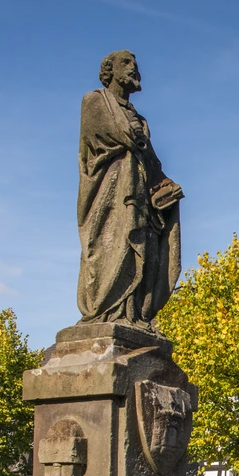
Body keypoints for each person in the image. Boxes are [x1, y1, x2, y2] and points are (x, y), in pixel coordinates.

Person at [76, 50, 183, 324]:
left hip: (138, 197)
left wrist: (166, 187)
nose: (134, 68)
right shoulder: (95, 101)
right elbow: (109, 136)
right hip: (110, 197)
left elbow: (151, 161)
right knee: (113, 249)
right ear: (109, 70)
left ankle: (131, 314)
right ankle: (105, 313)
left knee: (144, 254)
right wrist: (134, 139)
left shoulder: (140, 119)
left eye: (135, 64)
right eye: (126, 63)